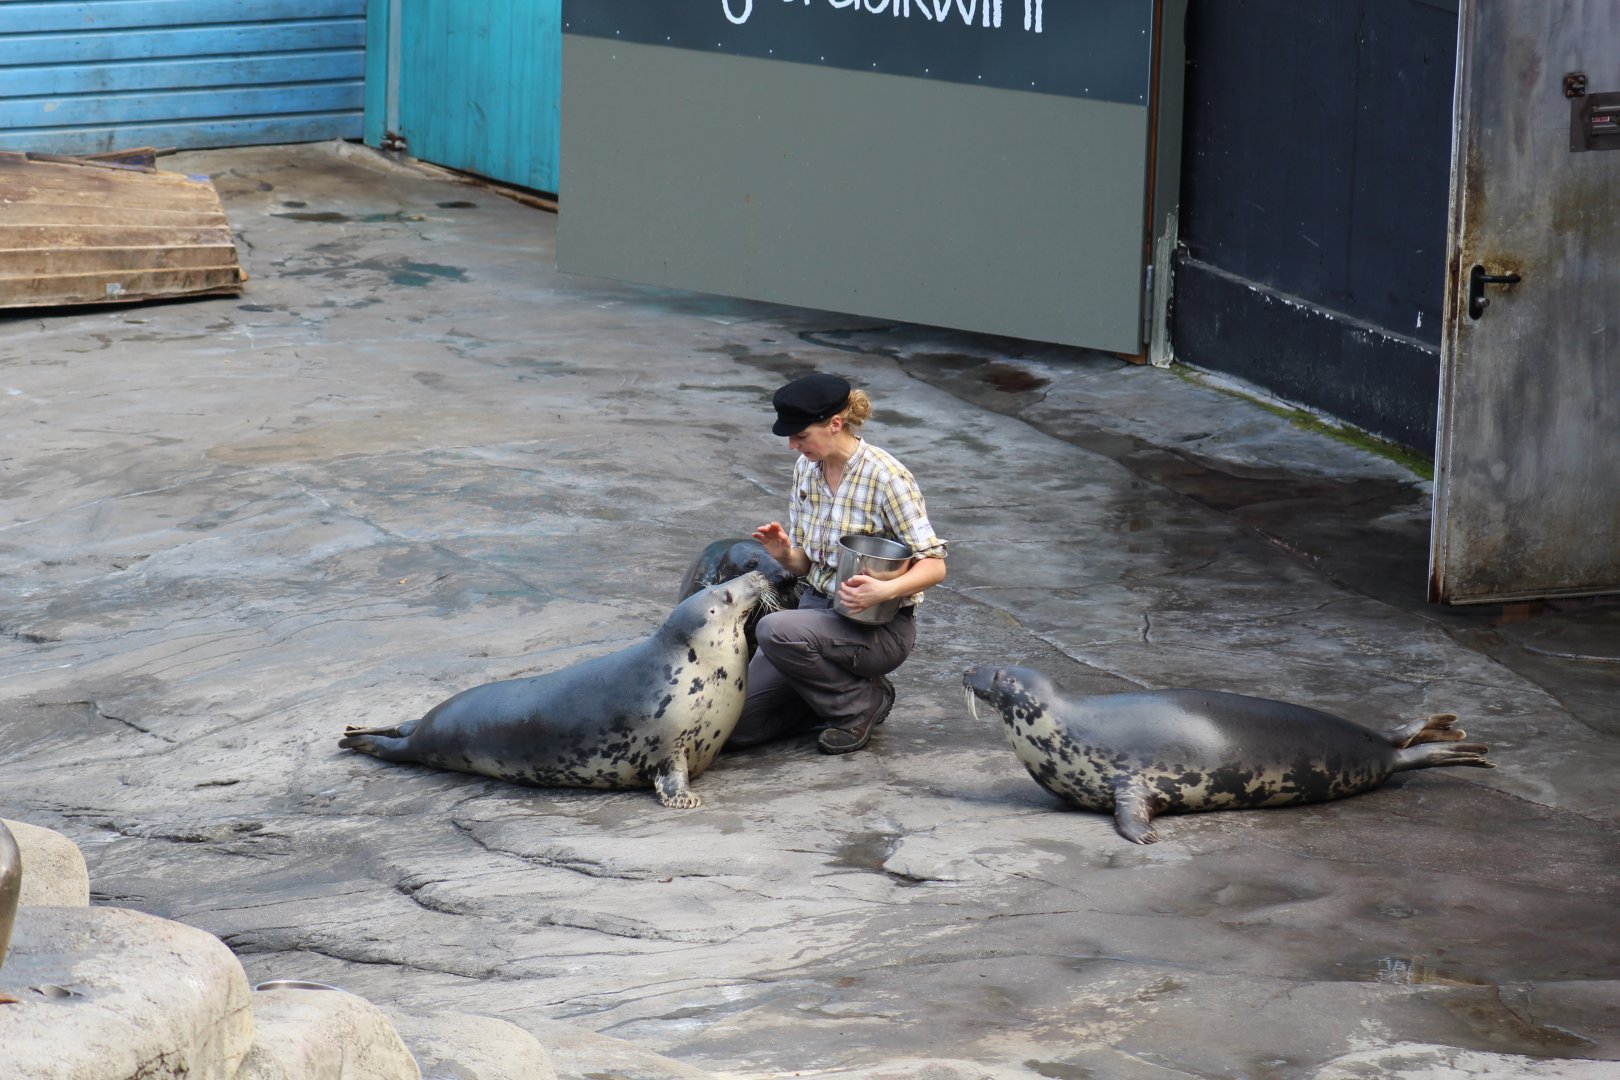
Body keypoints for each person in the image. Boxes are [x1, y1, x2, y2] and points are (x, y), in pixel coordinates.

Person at [728, 373, 948, 754]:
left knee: (775, 629)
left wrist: (886, 589)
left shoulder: (887, 477)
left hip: (875, 628)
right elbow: (805, 565)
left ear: (834, 424)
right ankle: (826, 697)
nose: (793, 446)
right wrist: (782, 552)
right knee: (735, 728)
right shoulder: (805, 471)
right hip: (815, 617)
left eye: (800, 436)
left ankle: (858, 706)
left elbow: (935, 565)